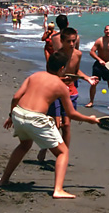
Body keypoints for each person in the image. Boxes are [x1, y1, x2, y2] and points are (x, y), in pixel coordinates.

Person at [0, 51, 99, 199]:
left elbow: (16, 97)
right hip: (36, 119)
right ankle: (58, 190)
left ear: (47, 64)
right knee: (62, 152)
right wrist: (89, 119)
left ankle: (3, 180)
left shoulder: (34, 76)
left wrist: (10, 116)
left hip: (19, 114)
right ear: (62, 68)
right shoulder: (61, 86)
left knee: (24, 145)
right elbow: (71, 114)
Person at [37, 27, 96, 161]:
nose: (71, 44)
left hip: (70, 91)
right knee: (55, 125)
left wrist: (87, 78)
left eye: (73, 41)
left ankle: (64, 155)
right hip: (56, 91)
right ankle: (44, 148)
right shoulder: (56, 56)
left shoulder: (78, 54)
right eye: (68, 41)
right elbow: (49, 75)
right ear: (62, 41)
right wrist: (60, 79)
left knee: (67, 125)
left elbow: (76, 71)